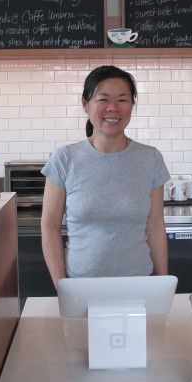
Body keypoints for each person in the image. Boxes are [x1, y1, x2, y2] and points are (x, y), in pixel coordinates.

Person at [41, 65, 170, 288]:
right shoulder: (65, 158)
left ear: (132, 105)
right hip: (80, 286)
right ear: (85, 105)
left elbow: (155, 225)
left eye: (122, 99)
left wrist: (163, 284)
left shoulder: (150, 158)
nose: (113, 108)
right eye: (103, 99)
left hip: (139, 284)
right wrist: (61, 286)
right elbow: (49, 226)